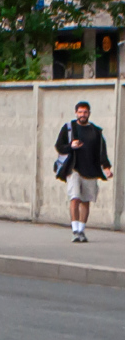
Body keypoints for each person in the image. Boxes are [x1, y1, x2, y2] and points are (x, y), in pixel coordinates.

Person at [54, 101, 112, 243]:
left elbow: (101, 151)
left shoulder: (96, 131)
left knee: (86, 201)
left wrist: (106, 167)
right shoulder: (69, 128)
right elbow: (59, 146)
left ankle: (81, 230)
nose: (82, 115)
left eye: (85, 112)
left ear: (89, 113)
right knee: (75, 198)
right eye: (80, 112)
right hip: (74, 169)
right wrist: (71, 146)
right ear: (76, 113)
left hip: (91, 170)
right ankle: (74, 230)